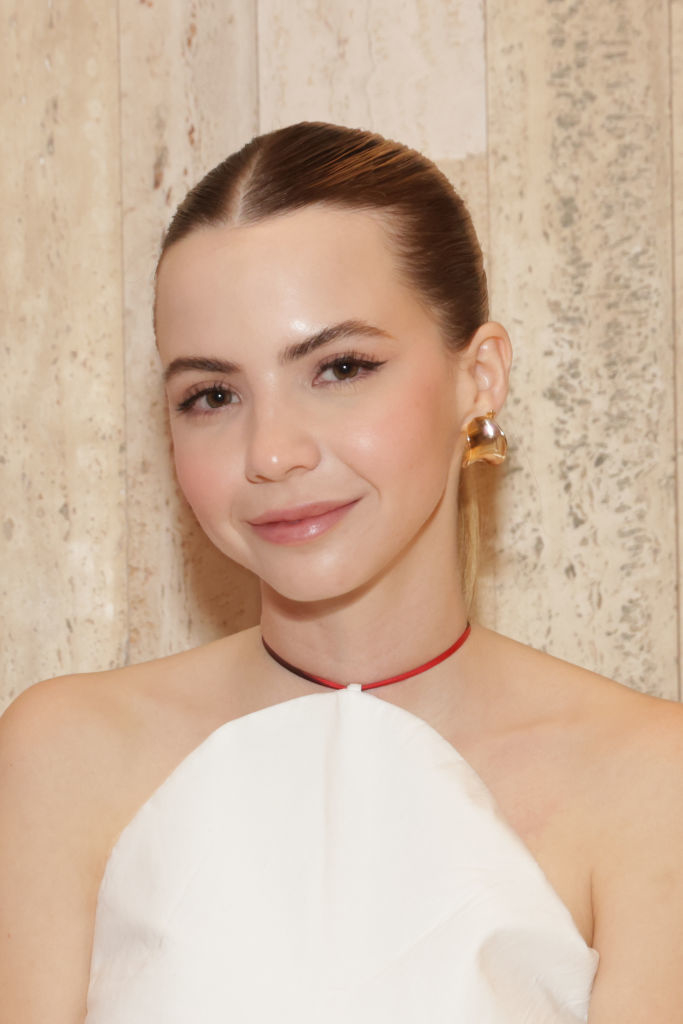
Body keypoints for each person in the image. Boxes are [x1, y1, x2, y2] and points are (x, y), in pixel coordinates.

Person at [1, 121, 682, 1024]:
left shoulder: (647, 779)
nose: (271, 452)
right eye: (212, 395)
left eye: (340, 368)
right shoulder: (65, 753)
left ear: (479, 376)